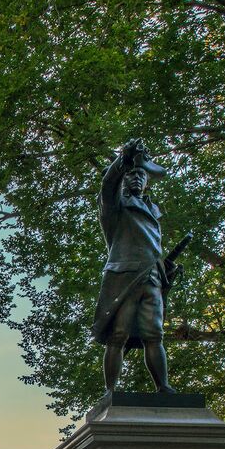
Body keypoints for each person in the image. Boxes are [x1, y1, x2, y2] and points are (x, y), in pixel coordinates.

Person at [91, 138, 182, 397]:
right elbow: (108, 184)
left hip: (152, 277)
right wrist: (124, 160)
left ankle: (163, 387)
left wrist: (166, 268)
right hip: (125, 275)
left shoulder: (152, 211)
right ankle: (110, 391)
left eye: (141, 175)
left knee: (154, 334)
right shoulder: (115, 206)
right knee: (118, 335)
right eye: (131, 175)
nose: (137, 178)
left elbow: (150, 246)